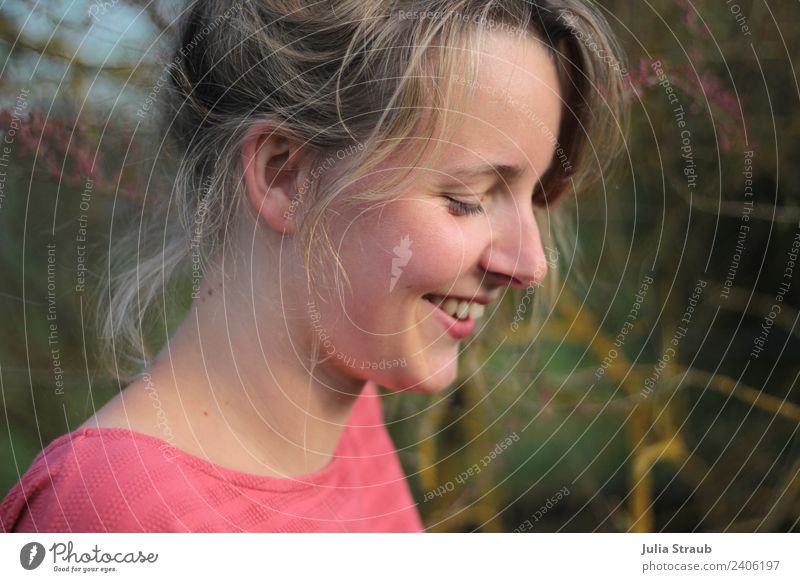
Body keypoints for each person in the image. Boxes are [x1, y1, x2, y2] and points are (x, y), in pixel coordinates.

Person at [1, 0, 624, 532]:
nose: (531, 263)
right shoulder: (114, 515)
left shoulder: (346, 420)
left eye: (534, 195)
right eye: (468, 198)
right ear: (285, 174)